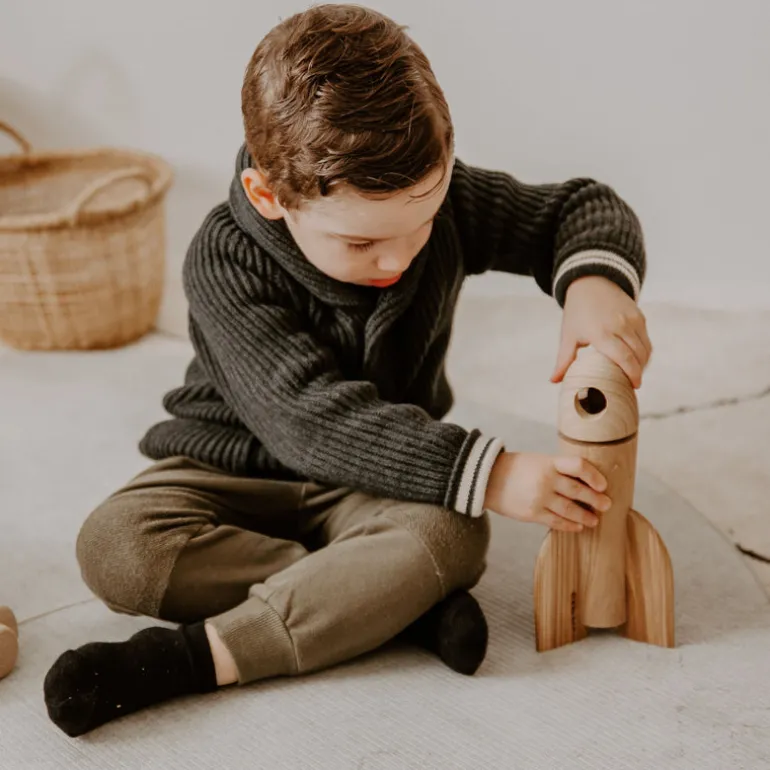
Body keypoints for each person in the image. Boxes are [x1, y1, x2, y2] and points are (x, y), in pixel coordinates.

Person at [43, 3, 651, 737]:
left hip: (378, 486)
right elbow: (308, 418)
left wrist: (595, 286)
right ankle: (345, 612)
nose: (399, 258)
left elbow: (577, 208)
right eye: (363, 243)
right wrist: (490, 474)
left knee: (453, 537)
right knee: (115, 549)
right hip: (233, 471)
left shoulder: (438, 201)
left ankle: (313, 615)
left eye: (419, 225)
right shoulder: (223, 257)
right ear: (272, 197)